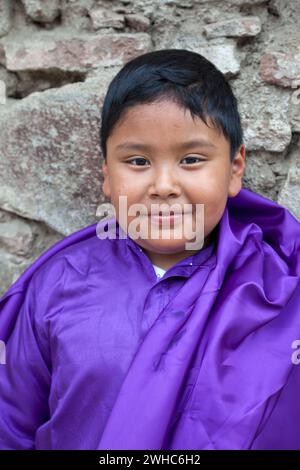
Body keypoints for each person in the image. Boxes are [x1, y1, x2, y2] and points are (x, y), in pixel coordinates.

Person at [0, 49, 299, 450]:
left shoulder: (276, 293)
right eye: (138, 161)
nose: (163, 185)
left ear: (234, 169)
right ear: (107, 174)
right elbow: (10, 425)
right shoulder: (59, 282)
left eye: (191, 159)